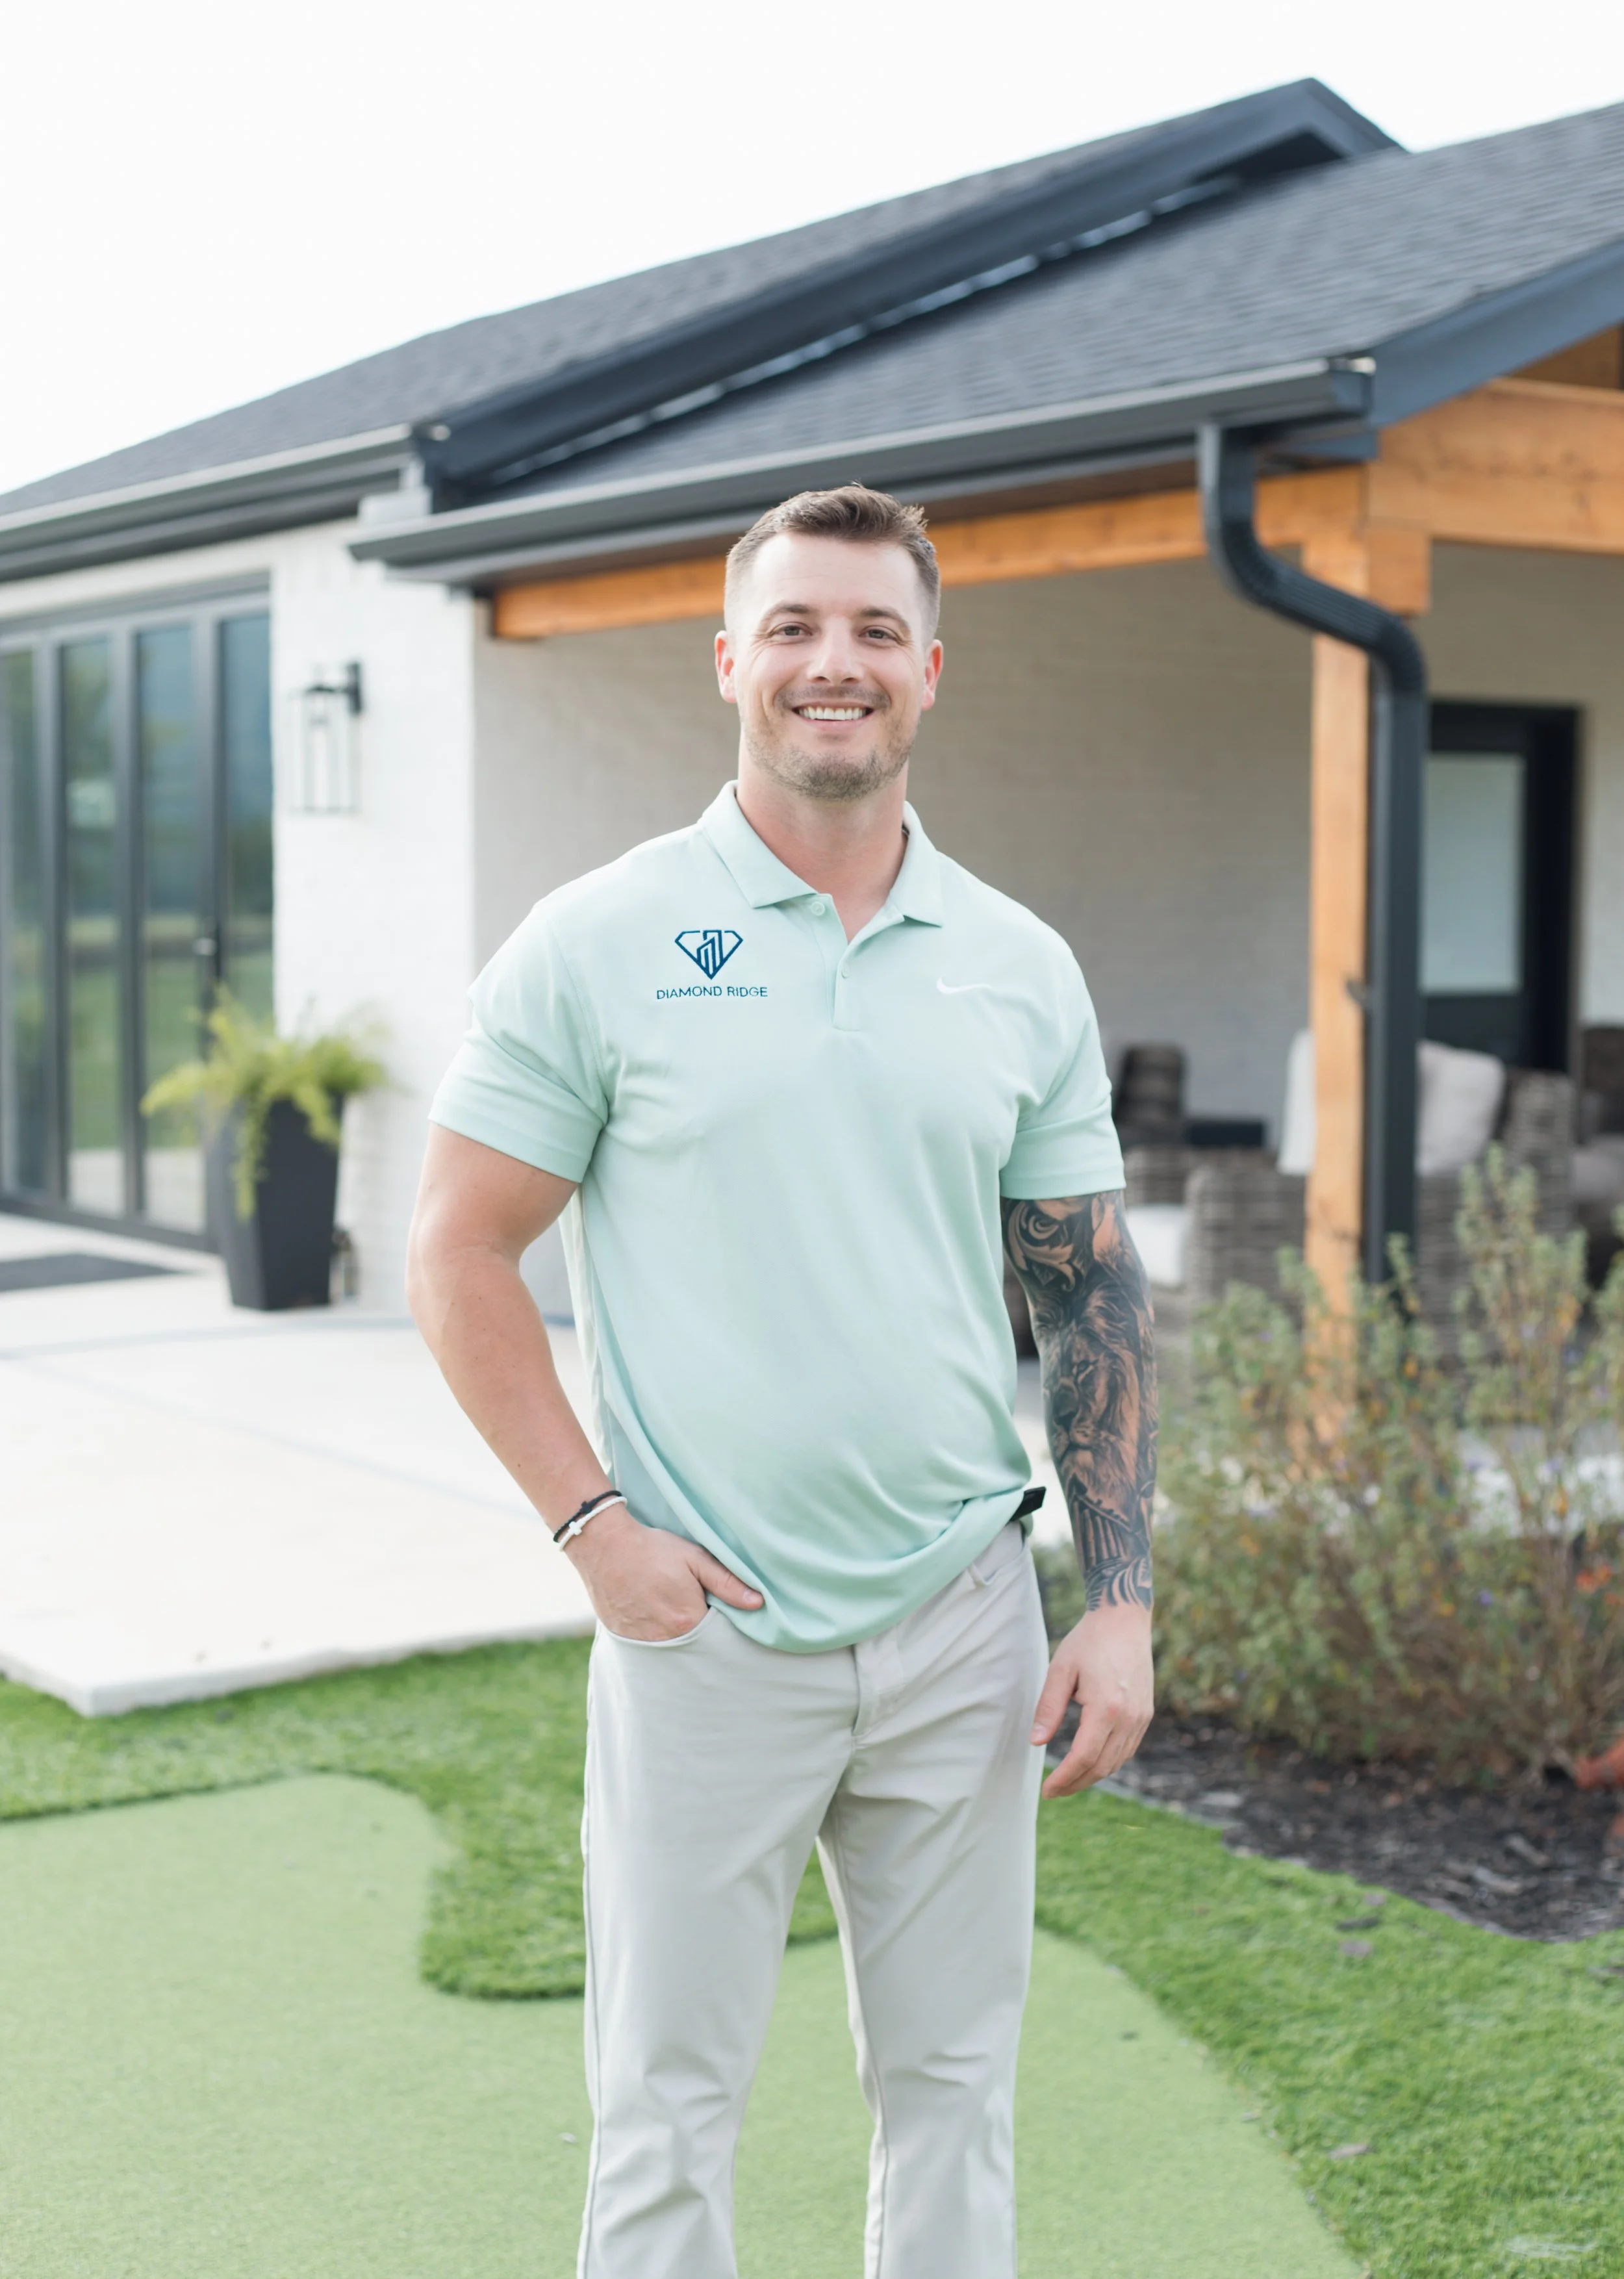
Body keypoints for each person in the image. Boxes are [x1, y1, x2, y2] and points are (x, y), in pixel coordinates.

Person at [407, 484, 1157, 2279]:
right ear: (730, 659)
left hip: (960, 1620)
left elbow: (1089, 1287)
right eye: (800, 627)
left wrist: (1114, 1596)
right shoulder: (596, 938)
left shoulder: (1015, 964)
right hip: (703, 1635)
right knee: (665, 2104)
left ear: (928, 672)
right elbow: (455, 1247)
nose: (837, 663)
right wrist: (594, 1531)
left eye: (876, 631)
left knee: (953, 2089)